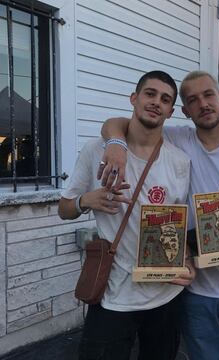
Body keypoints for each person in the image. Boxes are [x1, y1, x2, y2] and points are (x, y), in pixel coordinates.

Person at [99, 70, 219, 360]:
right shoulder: (176, 139)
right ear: (183, 111)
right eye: (193, 100)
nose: (203, 104)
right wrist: (116, 145)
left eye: (209, 95)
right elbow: (118, 123)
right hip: (197, 292)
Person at [58, 71, 194, 360]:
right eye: (150, 93)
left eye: (165, 99)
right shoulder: (97, 150)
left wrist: (187, 258)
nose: (157, 102)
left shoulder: (180, 162)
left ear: (171, 111)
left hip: (165, 297)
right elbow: (64, 209)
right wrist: (86, 200)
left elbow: (178, 226)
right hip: (113, 297)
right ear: (134, 98)